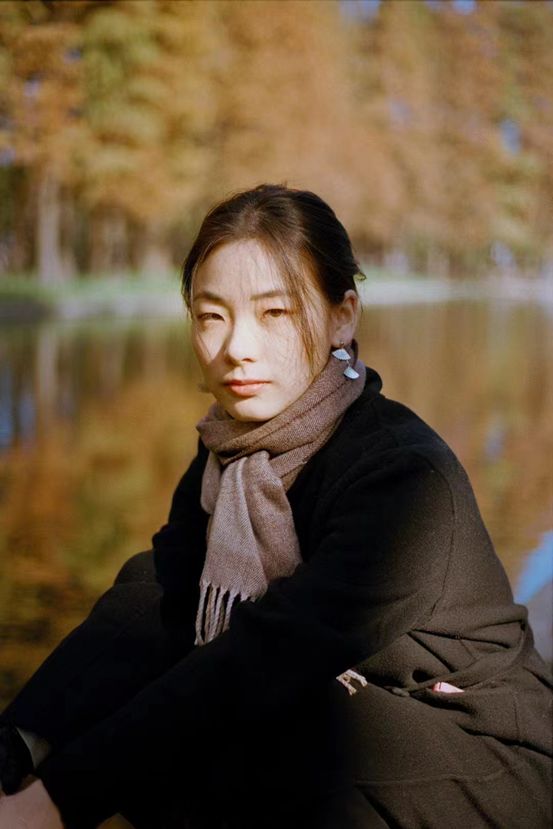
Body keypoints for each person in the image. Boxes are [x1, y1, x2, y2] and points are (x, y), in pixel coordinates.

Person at [0, 183, 551, 829]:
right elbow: (155, 598)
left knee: (231, 724)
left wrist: (54, 801)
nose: (237, 346)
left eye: (275, 313)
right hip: (357, 708)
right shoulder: (232, 452)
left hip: (477, 744)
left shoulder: (404, 478)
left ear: (342, 315)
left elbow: (273, 655)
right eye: (211, 315)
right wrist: (19, 743)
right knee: (166, 696)